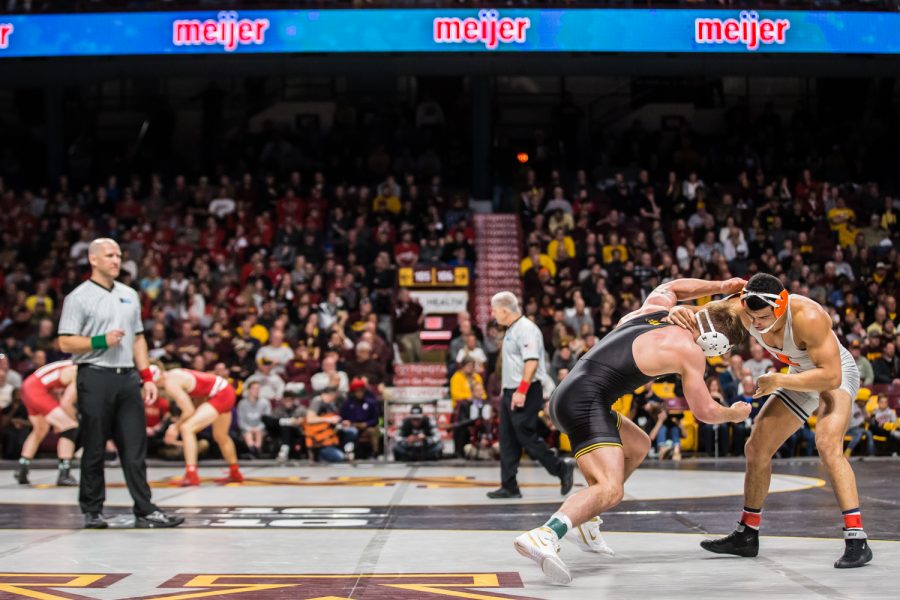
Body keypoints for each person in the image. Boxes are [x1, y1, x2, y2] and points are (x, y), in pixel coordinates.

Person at [514, 277, 750, 584]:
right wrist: (733, 414)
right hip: (585, 402)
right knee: (611, 489)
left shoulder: (652, 308)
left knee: (638, 444)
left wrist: (722, 284)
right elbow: (705, 412)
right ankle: (546, 534)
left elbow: (674, 286)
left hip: (572, 394)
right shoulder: (690, 352)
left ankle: (587, 520)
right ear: (716, 343)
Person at [667, 272, 869, 568]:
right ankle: (747, 534)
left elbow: (831, 375)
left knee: (827, 444)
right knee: (757, 447)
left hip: (831, 373)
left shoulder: (808, 316)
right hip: (796, 374)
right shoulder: (743, 308)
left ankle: (857, 539)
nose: (756, 324)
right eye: (752, 317)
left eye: (762, 318)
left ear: (781, 305)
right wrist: (678, 311)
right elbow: (702, 314)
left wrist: (778, 380)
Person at [56, 238, 183, 529]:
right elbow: (64, 341)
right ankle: (92, 510)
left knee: (135, 446)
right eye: (109, 255)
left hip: (127, 376)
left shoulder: (129, 294)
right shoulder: (79, 297)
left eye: (118, 255)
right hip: (95, 374)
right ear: (93, 260)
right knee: (95, 446)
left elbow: (138, 337)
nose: (116, 260)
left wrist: (147, 376)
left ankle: (145, 508)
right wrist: (101, 341)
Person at [487, 291, 574, 500]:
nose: (493, 314)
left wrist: (521, 391)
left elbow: (532, 362)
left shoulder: (526, 329)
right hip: (512, 390)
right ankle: (509, 485)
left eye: (495, 310)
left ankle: (561, 468)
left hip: (526, 389)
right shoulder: (512, 329)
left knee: (525, 436)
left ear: (506, 310)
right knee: (507, 438)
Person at [153, 364, 244, 486]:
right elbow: (199, 393)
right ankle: (235, 472)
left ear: (157, 380)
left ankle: (191, 474)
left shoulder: (169, 383)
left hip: (220, 394)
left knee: (187, 428)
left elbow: (188, 410)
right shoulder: (174, 373)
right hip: (224, 390)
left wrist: (175, 427)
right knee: (220, 436)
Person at [16, 360, 80, 486]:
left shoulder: (68, 365)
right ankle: (64, 474)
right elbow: (66, 403)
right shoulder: (79, 371)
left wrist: (58, 419)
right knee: (70, 428)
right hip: (37, 390)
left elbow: (54, 391)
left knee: (40, 429)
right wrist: (74, 420)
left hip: (28, 386)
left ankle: (22, 469)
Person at [237, 381, 270, 457]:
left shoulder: (265, 403)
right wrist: (249, 428)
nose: (256, 390)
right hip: (246, 429)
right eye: (254, 388)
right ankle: (252, 449)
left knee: (259, 432)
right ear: (249, 390)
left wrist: (258, 428)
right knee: (248, 433)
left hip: (261, 429)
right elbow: (241, 421)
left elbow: (267, 420)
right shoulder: (242, 404)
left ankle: (257, 449)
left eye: (258, 388)